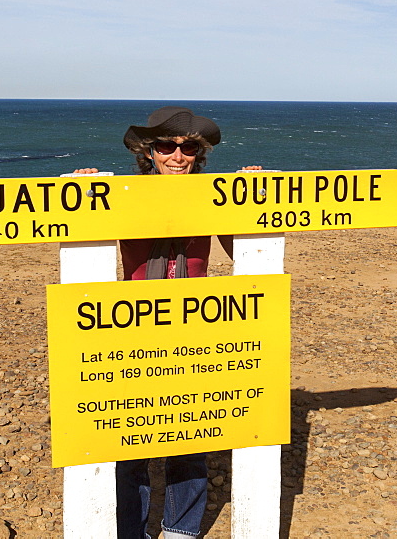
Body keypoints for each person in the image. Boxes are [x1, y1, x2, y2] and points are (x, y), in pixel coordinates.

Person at [74, 106, 259, 539]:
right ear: (149, 152)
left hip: (196, 325)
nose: (177, 155)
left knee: (191, 435)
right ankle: (130, 531)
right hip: (132, 328)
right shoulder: (121, 194)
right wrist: (81, 189)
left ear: (197, 154)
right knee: (128, 437)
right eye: (166, 146)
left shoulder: (214, 195)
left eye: (188, 146)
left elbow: (244, 250)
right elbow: (84, 234)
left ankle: (181, 529)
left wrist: (254, 193)